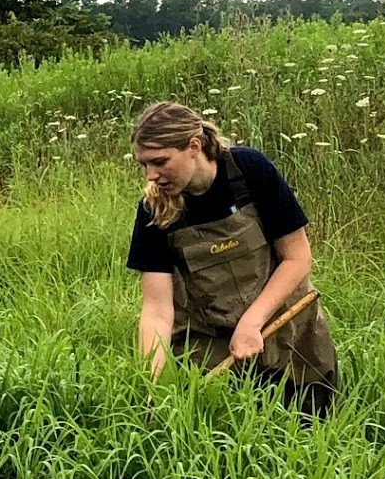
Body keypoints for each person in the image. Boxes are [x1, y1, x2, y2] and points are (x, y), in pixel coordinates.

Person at [128, 101, 338, 416]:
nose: (151, 175)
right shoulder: (152, 212)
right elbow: (157, 310)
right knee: (230, 438)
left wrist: (251, 322)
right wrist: (148, 388)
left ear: (194, 147)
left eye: (159, 162)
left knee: (315, 430)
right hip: (215, 345)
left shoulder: (249, 170)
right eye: (143, 165)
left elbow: (297, 258)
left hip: (286, 326)